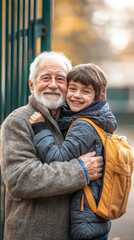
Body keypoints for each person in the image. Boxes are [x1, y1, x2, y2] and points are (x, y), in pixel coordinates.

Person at [0, 52, 104, 240]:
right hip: (32, 234)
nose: (53, 85)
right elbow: (20, 179)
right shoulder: (18, 121)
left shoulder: (75, 119)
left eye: (60, 79)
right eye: (45, 78)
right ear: (32, 85)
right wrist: (80, 171)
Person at [29, 63, 117, 240]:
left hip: (84, 223)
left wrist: (41, 129)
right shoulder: (98, 119)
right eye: (72, 89)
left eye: (85, 92)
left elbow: (58, 159)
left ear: (99, 97)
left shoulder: (84, 125)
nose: (76, 95)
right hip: (94, 219)